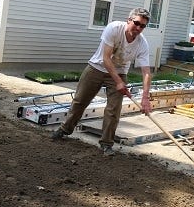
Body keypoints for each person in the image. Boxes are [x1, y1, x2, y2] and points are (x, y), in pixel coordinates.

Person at [51, 8, 152, 156]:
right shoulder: (114, 28)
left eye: (143, 26)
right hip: (96, 67)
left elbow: (146, 72)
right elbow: (106, 58)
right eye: (136, 23)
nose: (138, 28)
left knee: (113, 110)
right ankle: (65, 129)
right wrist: (118, 82)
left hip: (120, 72)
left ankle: (106, 144)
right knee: (80, 101)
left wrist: (145, 97)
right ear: (128, 20)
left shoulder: (142, 44)